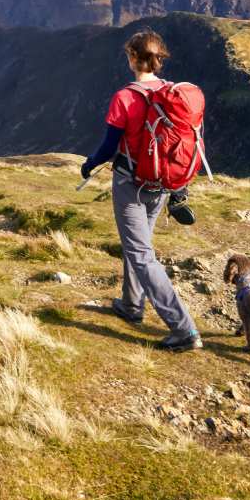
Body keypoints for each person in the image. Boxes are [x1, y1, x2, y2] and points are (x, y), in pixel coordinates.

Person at [80, 29, 202, 351]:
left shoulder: (125, 97)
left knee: (140, 253)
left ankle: (184, 329)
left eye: (129, 54)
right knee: (139, 244)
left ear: (133, 56)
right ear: (158, 59)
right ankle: (131, 304)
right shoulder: (173, 95)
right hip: (162, 184)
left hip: (130, 184)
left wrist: (89, 164)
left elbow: (108, 147)